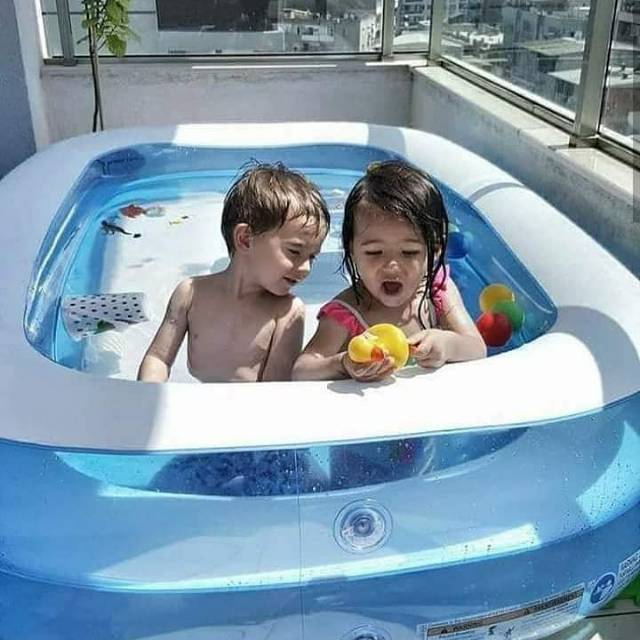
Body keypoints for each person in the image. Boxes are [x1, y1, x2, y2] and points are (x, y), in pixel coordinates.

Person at [293, 160, 486, 382]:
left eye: (409, 252)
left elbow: (476, 347)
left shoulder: (437, 292)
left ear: (434, 250)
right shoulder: (346, 313)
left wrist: (447, 344)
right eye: (374, 252)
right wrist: (343, 363)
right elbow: (301, 370)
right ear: (352, 250)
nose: (392, 266)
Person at [138, 162, 329, 383]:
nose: (306, 268)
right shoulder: (190, 294)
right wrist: (147, 394)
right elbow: (158, 359)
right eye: (294, 251)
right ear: (245, 239)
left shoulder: (287, 313)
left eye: (312, 257)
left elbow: (275, 390)